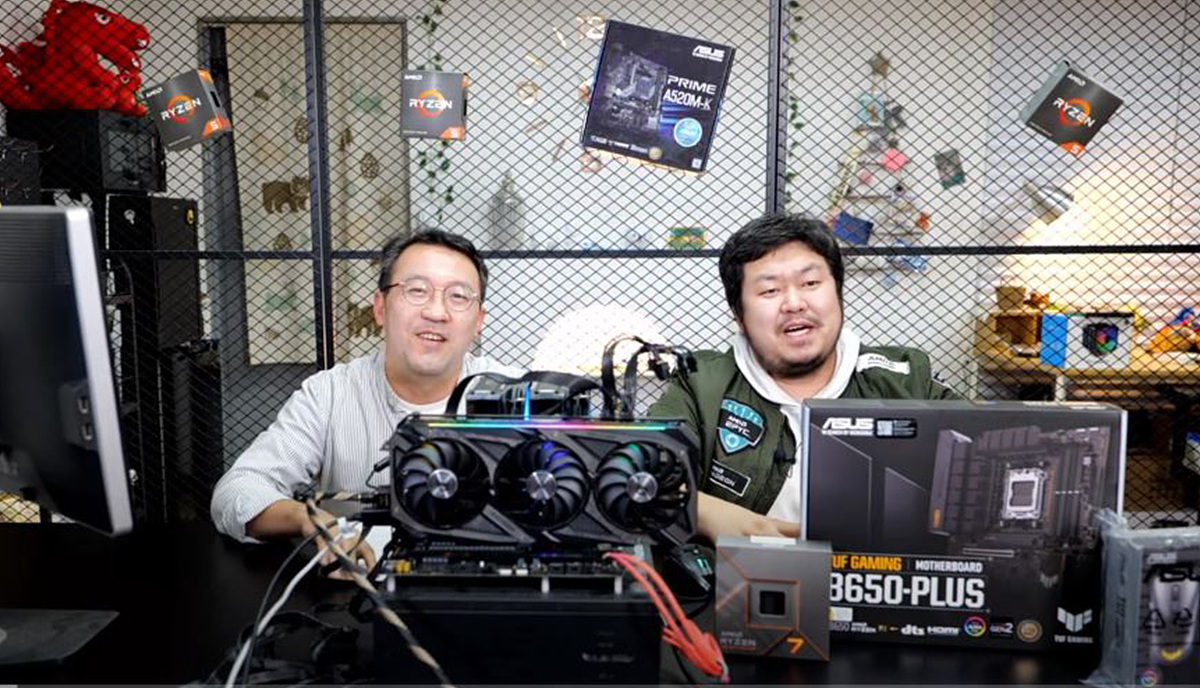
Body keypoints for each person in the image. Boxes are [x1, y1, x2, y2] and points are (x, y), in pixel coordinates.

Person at [211, 229, 521, 574]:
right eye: (417, 290)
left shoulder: (521, 395)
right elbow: (235, 492)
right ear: (380, 308)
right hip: (357, 589)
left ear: (478, 322)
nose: (436, 311)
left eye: (458, 296)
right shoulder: (330, 394)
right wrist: (307, 518)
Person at [649, 214, 960, 540]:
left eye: (810, 283)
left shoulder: (908, 381)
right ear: (739, 315)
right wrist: (708, 512)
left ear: (838, 293)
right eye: (770, 290)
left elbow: (983, 458)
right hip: (736, 572)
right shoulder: (701, 385)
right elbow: (641, 469)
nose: (794, 303)